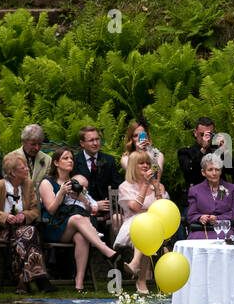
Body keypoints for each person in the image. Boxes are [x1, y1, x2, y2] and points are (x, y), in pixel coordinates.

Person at [38, 146, 123, 291]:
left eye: (71, 158)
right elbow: (51, 210)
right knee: (78, 218)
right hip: (56, 225)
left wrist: (81, 197)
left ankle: (79, 283)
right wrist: (61, 193)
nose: (70, 160)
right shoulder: (47, 182)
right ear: (56, 163)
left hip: (78, 224)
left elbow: (89, 210)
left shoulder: (77, 182)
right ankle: (104, 249)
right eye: (65, 158)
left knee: (81, 237)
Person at [0, 153, 49, 293]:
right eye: (24, 167)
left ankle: (23, 282)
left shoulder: (28, 185)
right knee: (29, 233)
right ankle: (38, 279)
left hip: (21, 229)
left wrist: (24, 215)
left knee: (24, 236)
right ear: (13, 172)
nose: (28, 169)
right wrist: (4, 216)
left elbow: (34, 210)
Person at [113, 151, 167, 293]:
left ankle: (135, 264)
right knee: (144, 226)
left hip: (155, 226)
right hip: (132, 225)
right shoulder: (125, 186)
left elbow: (163, 209)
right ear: (132, 166)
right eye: (141, 163)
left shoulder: (158, 186)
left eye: (148, 163)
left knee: (148, 227)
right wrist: (145, 185)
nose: (145, 166)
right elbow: (135, 208)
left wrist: (155, 187)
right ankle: (141, 280)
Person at [73, 125, 120, 236]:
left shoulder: (109, 160)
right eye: (91, 140)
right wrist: (93, 204)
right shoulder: (74, 161)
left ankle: (117, 250)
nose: (95, 143)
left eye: (97, 139)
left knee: (117, 218)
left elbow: (116, 186)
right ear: (82, 143)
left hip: (106, 208)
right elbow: (72, 190)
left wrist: (107, 203)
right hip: (82, 208)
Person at [186, 153, 234, 237]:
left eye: (217, 169)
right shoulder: (195, 190)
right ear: (203, 172)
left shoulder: (233, 189)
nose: (214, 173)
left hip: (225, 231)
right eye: (210, 170)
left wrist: (218, 218)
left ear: (221, 171)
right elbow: (191, 216)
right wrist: (200, 217)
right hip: (202, 230)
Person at [10, 124, 54, 190]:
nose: (37, 148)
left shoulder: (47, 160)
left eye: (40, 144)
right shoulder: (11, 158)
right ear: (23, 142)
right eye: (33, 144)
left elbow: (48, 185)